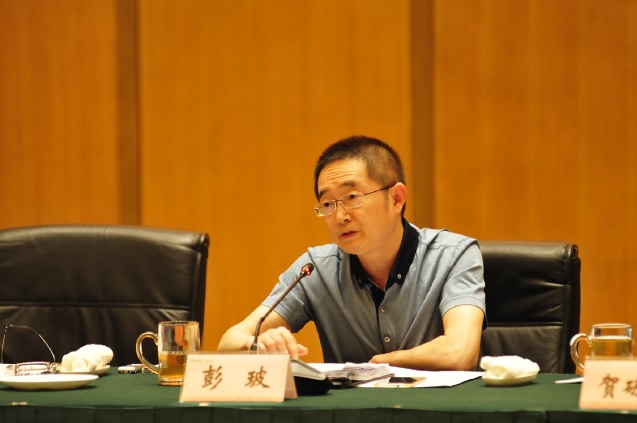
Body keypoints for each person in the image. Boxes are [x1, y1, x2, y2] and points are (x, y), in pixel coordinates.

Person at [217, 135, 486, 370]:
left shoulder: (453, 256)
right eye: (327, 204)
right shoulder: (315, 270)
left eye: (352, 198)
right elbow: (229, 342)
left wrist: (380, 364)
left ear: (396, 198)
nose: (340, 216)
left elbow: (459, 352)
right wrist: (257, 345)